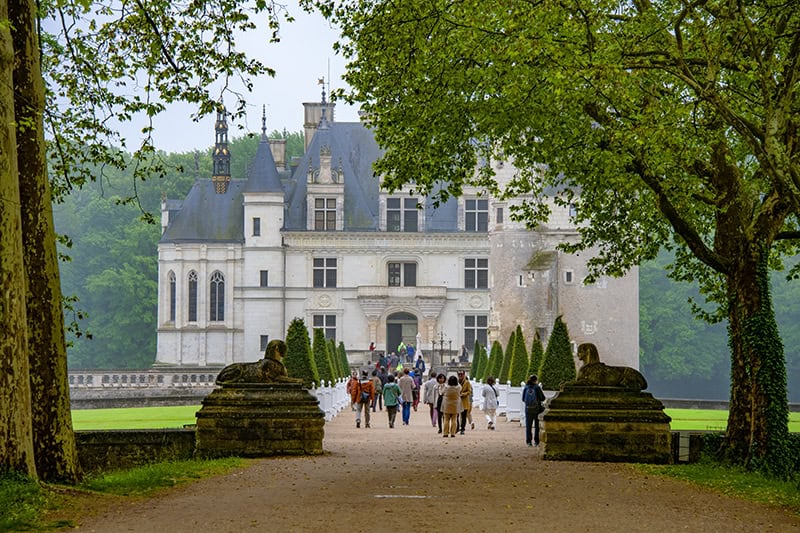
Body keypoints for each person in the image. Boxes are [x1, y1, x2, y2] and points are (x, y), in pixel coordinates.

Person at [523, 374, 546, 446]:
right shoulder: (537, 387)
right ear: (535, 380)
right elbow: (543, 398)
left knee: (528, 426)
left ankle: (529, 442)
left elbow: (523, 399)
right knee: (537, 426)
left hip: (528, 409)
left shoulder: (526, 387)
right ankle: (536, 441)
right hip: (537, 409)